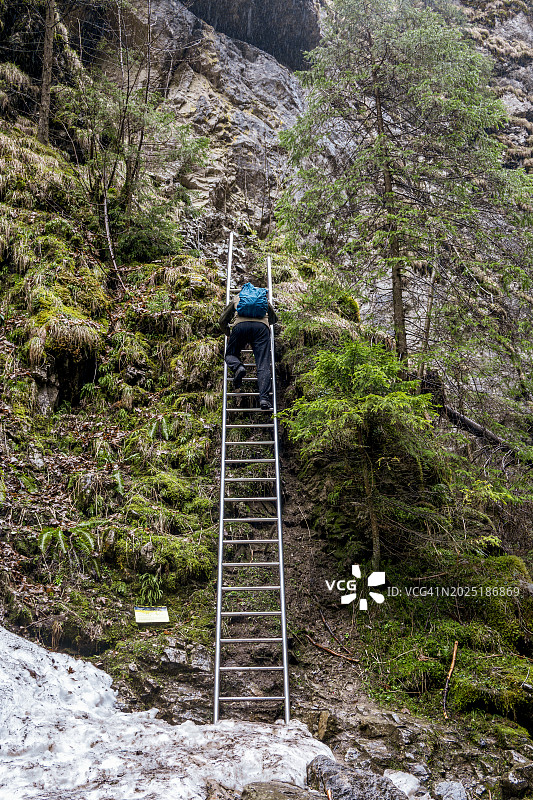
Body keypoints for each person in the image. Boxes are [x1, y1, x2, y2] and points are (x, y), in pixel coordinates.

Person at [219, 287, 278, 411]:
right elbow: (274, 319)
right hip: (261, 329)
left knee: (230, 354)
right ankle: (264, 399)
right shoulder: (263, 300)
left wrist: (228, 332)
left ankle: (238, 367)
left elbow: (222, 320)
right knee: (263, 364)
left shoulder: (238, 298)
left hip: (240, 327)